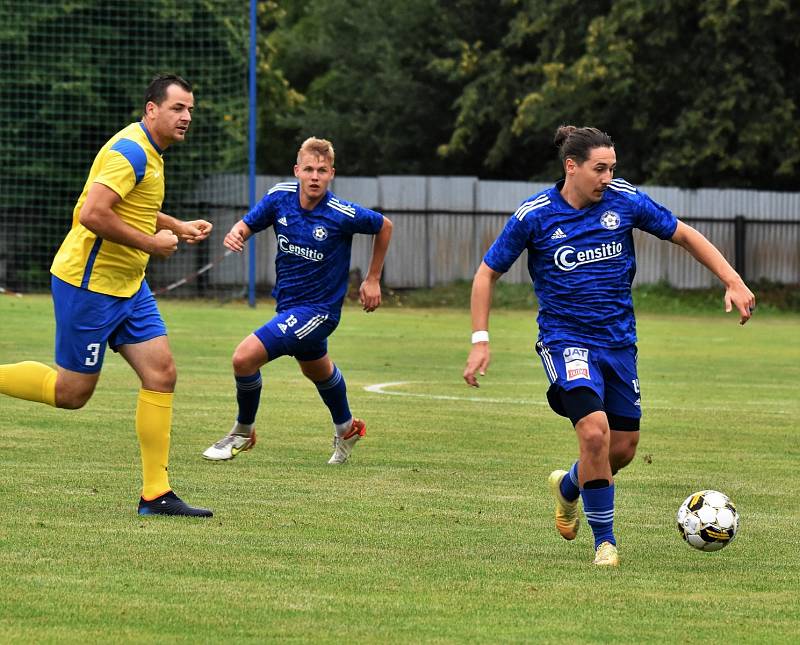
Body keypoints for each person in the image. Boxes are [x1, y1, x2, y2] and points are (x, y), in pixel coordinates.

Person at [463, 125, 755, 566]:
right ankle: (606, 543)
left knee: (622, 449)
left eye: (612, 168)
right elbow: (486, 274)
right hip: (566, 341)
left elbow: (683, 234)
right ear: (571, 167)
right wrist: (480, 340)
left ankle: (568, 488)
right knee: (594, 432)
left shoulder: (625, 200)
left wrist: (731, 280)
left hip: (619, 342)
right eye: (600, 169)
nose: (607, 177)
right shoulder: (534, 216)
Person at [0, 74, 214, 517]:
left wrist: (174, 226)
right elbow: (91, 213)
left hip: (129, 286)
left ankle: (156, 494)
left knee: (162, 373)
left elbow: (132, 205)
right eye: (178, 108)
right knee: (71, 393)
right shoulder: (130, 151)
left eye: (190, 109)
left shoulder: (151, 154)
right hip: (90, 286)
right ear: (151, 109)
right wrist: (153, 243)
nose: (187, 117)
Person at [202, 137, 392, 465]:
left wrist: (373, 278)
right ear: (297, 171)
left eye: (322, 170)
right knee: (318, 371)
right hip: (288, 306)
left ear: (332, 173)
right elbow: (248, 224)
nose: (314, 176)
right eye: (308, 169)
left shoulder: (341, 213)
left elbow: (384, 226)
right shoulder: (279, 197)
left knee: (243, 358)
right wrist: (237, 233)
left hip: (319, 312)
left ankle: (242, 431)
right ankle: (347, 428)